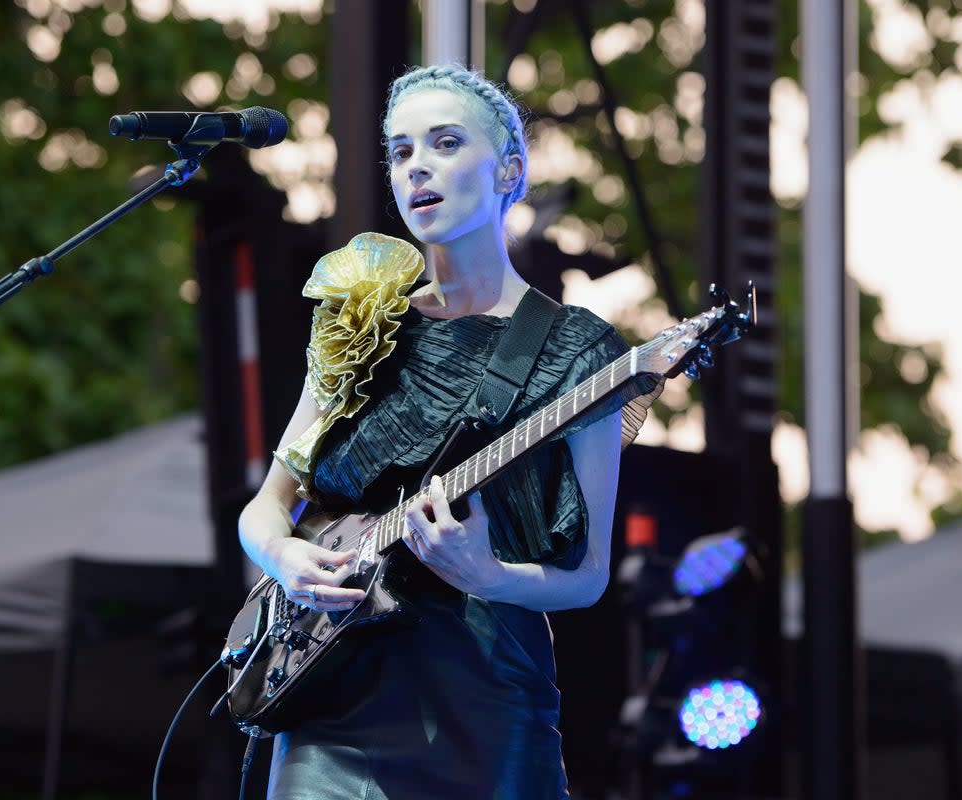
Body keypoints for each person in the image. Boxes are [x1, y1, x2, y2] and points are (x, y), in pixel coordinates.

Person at [237, 63, 662, 799]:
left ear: (509, 169)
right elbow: (267, 505)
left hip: (485, 702)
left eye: (443, 144)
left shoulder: (577, 351)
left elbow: (589, 577)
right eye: (400, 152)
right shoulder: (358, 319)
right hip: (332, 699)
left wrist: (489, 575)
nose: (417, 168)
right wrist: (282, 554)